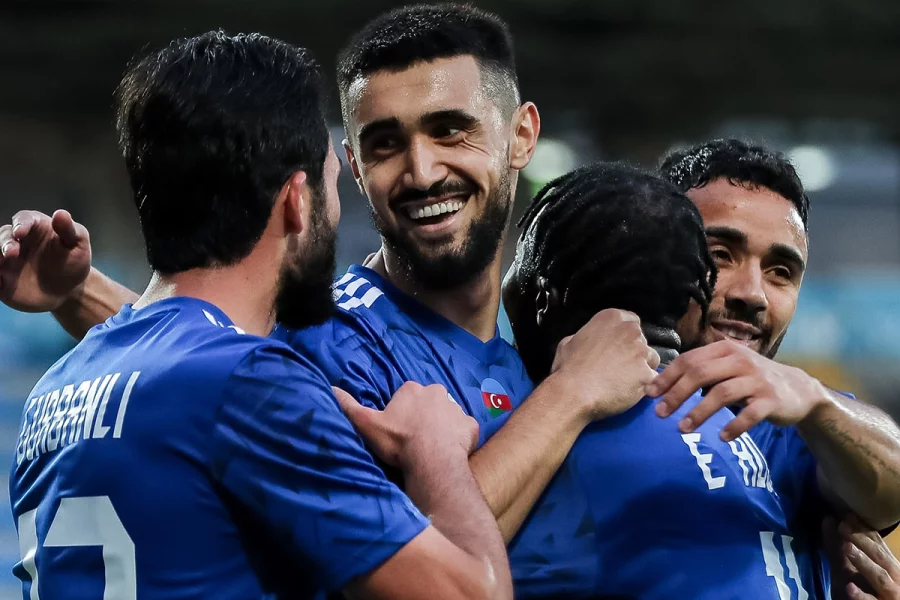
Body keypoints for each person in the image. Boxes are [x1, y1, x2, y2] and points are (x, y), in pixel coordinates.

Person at [0, 2, 660, 551]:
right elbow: (423, 567)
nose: (422, 171)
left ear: (521, 136)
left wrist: (79, 292)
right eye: (385, 144)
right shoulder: (328, 338)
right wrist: (569, 397)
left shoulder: (524, 348)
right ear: (352, 165)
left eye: (451, 131)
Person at [6, 30, 514, 600]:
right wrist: (435, 452)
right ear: (297, 200)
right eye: (331, 181)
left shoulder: (53, 394)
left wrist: (78, 292)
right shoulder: (254, 381)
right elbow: (475, 594)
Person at [502, 161, 819, 599]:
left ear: (542, 298)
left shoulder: (570, 445)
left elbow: (435, 566)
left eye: (512, 274)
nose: (751, 294)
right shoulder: (731, 432)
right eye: (721, 255)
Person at [651, 139, 900, 598]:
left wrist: (817, 404)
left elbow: (892, 489)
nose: (753, 294)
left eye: (781, 272)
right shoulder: (584, 401)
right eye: (720, 254)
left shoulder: (793, 430)